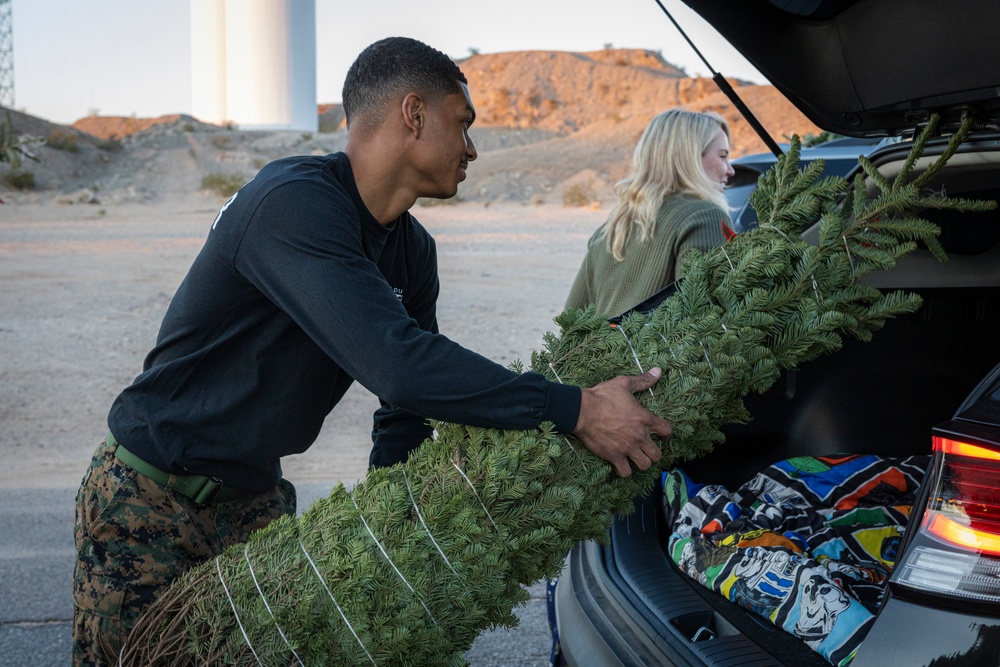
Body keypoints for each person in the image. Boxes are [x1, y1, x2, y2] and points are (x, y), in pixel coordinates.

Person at [72, 36, 673, 665]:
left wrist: (396, 532)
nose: (473, 148)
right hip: (148, 502)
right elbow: (400, 365)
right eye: (462, 123)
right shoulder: (294, 202)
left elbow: (402, 411)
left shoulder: (413, 253)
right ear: (413, 114)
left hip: (256, 506)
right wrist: (577, 409)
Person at [565, 109, 736, 317]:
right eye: (723, 156)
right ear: (689, 157)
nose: (730, 170)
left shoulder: (612, 228)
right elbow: (707, 321)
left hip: (606, 350)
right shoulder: (704, 216)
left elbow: (571, 322)